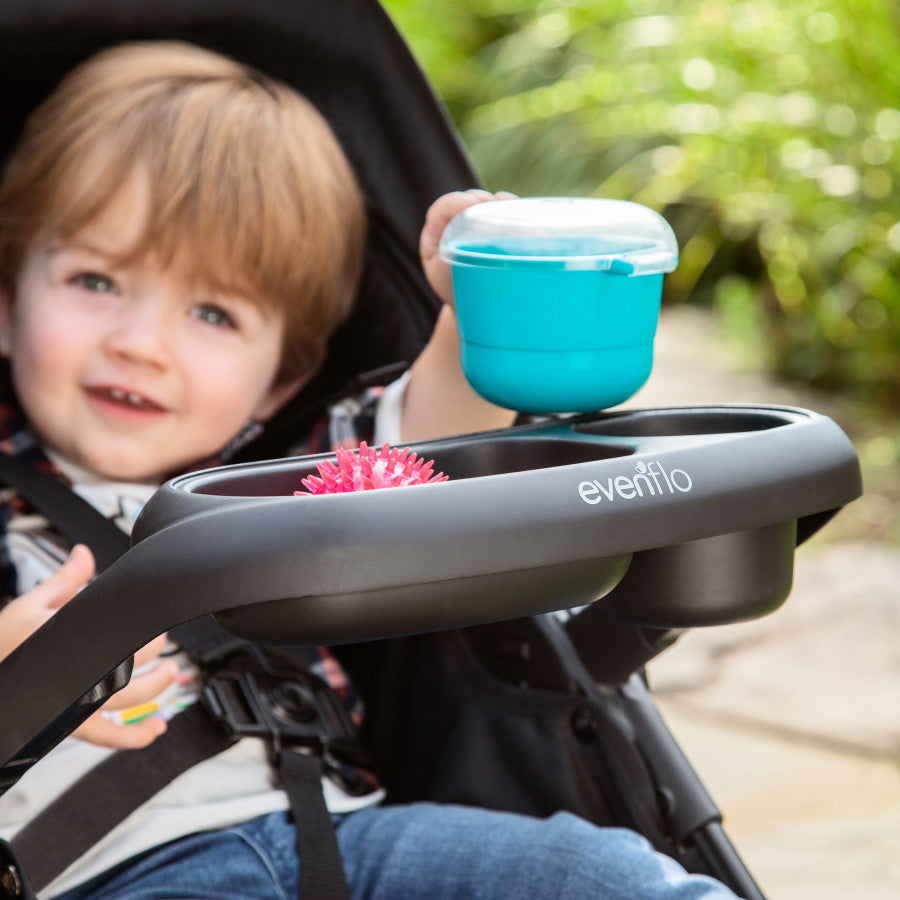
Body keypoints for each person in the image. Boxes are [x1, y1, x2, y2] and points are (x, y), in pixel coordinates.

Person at [0, 41, 739, 899]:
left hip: (354, 840)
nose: (141, 343)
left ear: (278, 375)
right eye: (95, 280)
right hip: (99, 872)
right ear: (8, 306)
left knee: (599, 872)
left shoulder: (279, 480)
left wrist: (471, 320)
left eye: (211, 311)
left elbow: (419, 442)